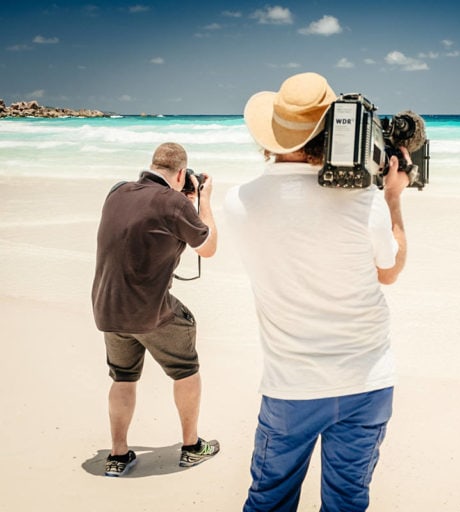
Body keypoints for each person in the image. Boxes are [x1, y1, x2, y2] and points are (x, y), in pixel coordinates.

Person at [224, 72, 411, 511]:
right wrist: (393, 197)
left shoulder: (238, 202)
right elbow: (390, 271)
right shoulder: (365, 201)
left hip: (291, 385)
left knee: (268, 501)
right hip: (366, 380)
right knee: (347, 502)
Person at [91, 142, 220, 477]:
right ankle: (192, 447)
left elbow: (147, 225)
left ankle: (118, 456)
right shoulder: (173, 202)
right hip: (150, 313)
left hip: (108, 308)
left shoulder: (117, 192)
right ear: (181, 174)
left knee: (123, 377)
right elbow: (209, 248)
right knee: (186, 369)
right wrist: (203, 201)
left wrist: (183, 203)